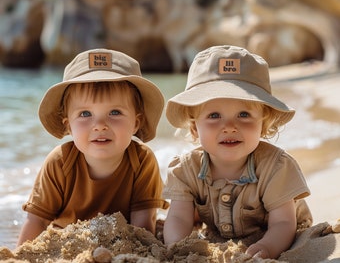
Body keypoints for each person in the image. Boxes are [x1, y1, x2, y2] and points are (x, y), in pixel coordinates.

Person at [162, 45, 313, 259]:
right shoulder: (185, 169)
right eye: (214, 116)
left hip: (278, 234)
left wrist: (268, 247)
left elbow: (283, 223)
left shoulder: (276, 167)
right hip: (221, 236)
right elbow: (178, 217)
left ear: (263, 123)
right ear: (195, 127)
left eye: (243, 114)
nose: (230, 126)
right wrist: (176, 246)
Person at [17, 48, 168, 246]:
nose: (100, 125)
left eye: (115, 112)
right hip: (68, 242)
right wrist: (20, 255)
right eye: (85, 114)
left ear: (136, 123)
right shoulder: (60, 163)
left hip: (121, 240)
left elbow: (143, 223)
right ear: (68, 125)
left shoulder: (141, 160)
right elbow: (37, 220)